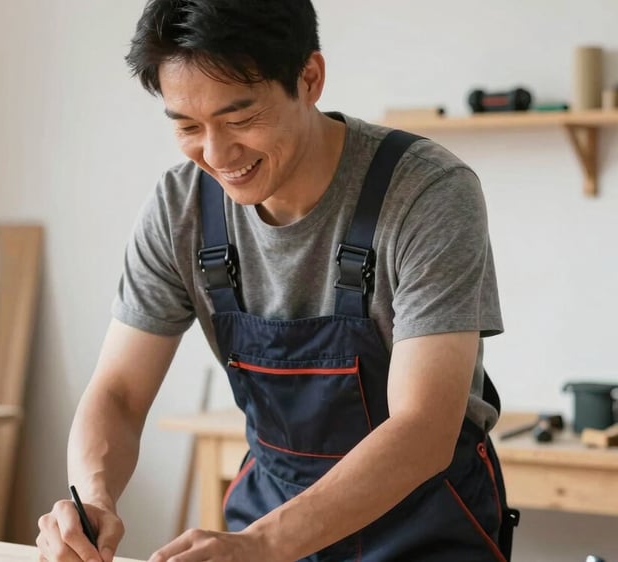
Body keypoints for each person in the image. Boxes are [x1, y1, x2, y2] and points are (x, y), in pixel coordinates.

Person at [37, 1, 519, 561]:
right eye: (189, 127)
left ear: (309, 78)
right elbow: (118, 393)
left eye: (240, 119)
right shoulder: (182, 208)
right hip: (266, 522)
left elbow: (423, 430)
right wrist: (92, 497)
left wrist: (260, 545)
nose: (217, 155)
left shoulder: (427, 192)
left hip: (425, 532)